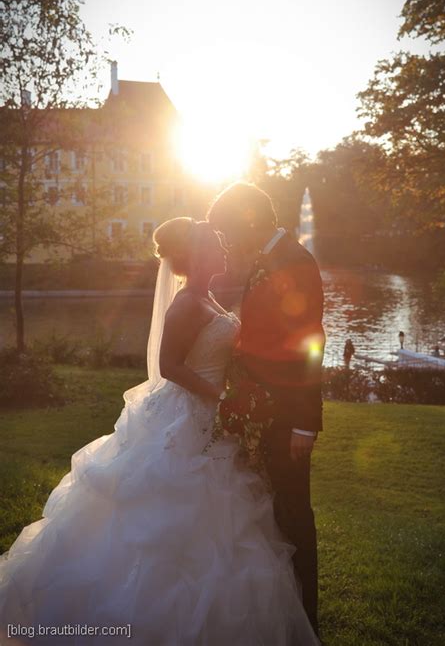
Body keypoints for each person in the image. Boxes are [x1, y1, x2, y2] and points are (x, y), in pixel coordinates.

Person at [0, 218, 320, 646]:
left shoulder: (206, 298)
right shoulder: (187, 303)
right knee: (167, 517)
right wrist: (221, 398)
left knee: (225, 515)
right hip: (187, 418)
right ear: (198, 254)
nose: (226, 247)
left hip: (213, 419)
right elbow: (170, 366)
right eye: (217, 242)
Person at [207, 183, 326, 638]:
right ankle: (283, 613)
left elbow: (310, 345)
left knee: (295, 514)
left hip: (286, 418)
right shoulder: (267, 259)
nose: (225, 243)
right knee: (274, 514)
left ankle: (306, 622)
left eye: (226, 233)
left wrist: (304, 425)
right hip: (263, 410)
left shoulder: (294, 262)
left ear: (248, 221)